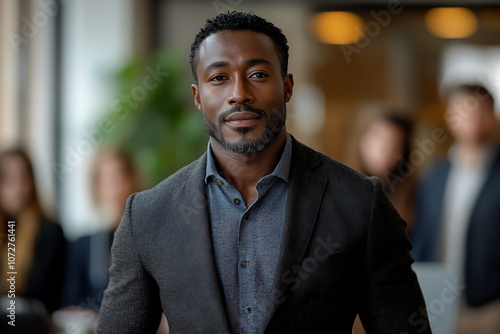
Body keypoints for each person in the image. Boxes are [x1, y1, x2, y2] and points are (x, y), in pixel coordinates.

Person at [97, 12, 431, 333]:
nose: (239, 93)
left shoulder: (360, 203)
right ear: (198, 97)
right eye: (219, 78)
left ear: (287, 88)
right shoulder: (147, 216)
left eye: (257, 74)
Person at [411, 84, 500, 334]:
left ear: (492, 115)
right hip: (435, 300)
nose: (472, 118)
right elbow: (423, 235)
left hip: (488, 307)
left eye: (479, 111)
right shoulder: (434, 176)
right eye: (462, 110)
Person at [60, 150, 140, 310]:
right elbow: (70, 301)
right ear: (96, 188)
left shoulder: (146, 239)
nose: (116, 187)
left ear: (132, 180)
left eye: (120, 177)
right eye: (108, 179)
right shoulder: (82, 246)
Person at [0, 149, 65, 332]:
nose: (18, 187)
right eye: (9, 179)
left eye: (23, 177)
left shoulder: (50, 232)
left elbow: (44, 296)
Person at [355, 111, 416, 231]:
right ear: (362, 139)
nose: (383, 149)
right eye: (378, 137)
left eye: (393, 144)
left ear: (403, 153)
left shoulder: (414, 196)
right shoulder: (338, 187)